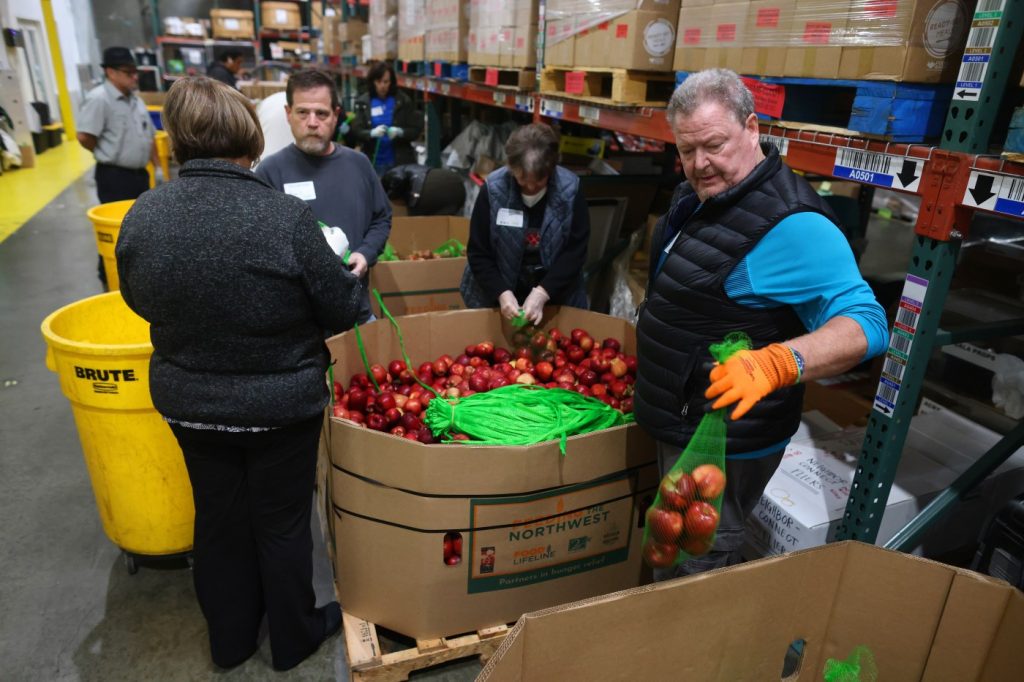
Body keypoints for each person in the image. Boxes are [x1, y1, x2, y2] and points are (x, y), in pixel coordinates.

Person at [115, 76, 359, 671]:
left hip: (190, 401)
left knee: (218, 520)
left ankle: (230, 639)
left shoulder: (145, 216)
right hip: (281, 406)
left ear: (177, 142)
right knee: (280, 522)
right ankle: (293, 637)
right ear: (249, 140)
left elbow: (136, 297)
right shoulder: (286, 219)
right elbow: (345, 310)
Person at [634, 69, 888, 577]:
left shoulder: (794, 225)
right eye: (687, 151)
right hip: (684, 420)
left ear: (752, 128)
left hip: (727, 442)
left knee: (695, 567)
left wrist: (780, 362)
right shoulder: (704, 195)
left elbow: (868, 322)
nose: (700, 164)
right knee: (670, 555)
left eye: (714, 145)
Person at [256, 69, 390, 324]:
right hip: (297, 325)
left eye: (322, 113)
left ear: (336, 115)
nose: (312, 122)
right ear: (288, 114)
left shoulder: (359, 165)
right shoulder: (270, 172)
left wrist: (365, 253)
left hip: (356, 313)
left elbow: (381, 218)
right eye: (302, 112)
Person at [460, 123, 590, 325]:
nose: (530, 188)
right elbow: (479, 252)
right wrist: (501, 293)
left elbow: (575, 252)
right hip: (496, 295)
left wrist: (543, 293)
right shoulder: (493, 190)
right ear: (511, 167)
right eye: (522, 180)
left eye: (538, 183)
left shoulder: (570, 191)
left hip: (556, 296)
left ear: (552, 169)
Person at [77, 46, 158, 288]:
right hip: (114, 176)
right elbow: (84, 136)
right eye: (128, 72)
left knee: (139, 230)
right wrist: (107, 153)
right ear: (110, 72)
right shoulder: (99, 99)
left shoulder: (136, 101)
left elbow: (150, 135)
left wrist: (158, 169)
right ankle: (111, 279)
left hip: (138, 176)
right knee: (116, 232)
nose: (134, 77)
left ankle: (136, 279)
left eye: (135, 72)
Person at [350, 60, 423, 174]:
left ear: (391, 82)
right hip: (374, 163)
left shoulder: (403, 101)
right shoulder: (363, 103)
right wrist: (371, 133)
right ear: (373, 81)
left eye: (386, 82)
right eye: (378, 81)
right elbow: (356, 131)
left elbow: (415, 131)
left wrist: (400, 132)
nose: (382, 86)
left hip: (399, 163)